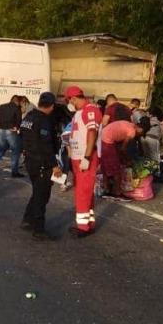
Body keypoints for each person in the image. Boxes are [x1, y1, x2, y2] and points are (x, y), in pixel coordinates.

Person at [20, 92, 62, 240]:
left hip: (30, 161)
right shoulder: (43, 120)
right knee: (42, 195)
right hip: (42, 163)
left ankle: (27, 219)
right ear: (51, 106)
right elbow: (45, 145)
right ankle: (39, 229)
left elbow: (22, 138)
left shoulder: (28, 117)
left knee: (37, 191)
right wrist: (54, 165)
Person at [66, 86, 103, 238]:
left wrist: (87, 157)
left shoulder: (90, 110)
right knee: (83, 191)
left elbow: (92, 132)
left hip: (85, 157)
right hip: (78, 157)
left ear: (73, 99)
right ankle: (88, 222)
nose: (70, 104)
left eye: (69, 101)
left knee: (83, 192)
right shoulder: (80, 112)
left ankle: (83, 227)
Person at [101, 118, 151, 202]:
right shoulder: (132, 132)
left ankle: (106, 189)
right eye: (142, 133)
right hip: (108, 140)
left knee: (107, 166)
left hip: (104, 136)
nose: (140, 135)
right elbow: (123, 149)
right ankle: (116, 193)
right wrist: (127, 160)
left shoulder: (131, 125)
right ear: (141, 129)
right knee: (116, 168)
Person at [0, 95, 24, 178]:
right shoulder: (16, 108)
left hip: (1, 130)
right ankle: (14, 172)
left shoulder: (2, 106)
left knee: (1, 149)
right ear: (17, 101)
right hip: (11, 131)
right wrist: (17, 127)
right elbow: (19, 119)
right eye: (19, 102)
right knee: (15, 151)